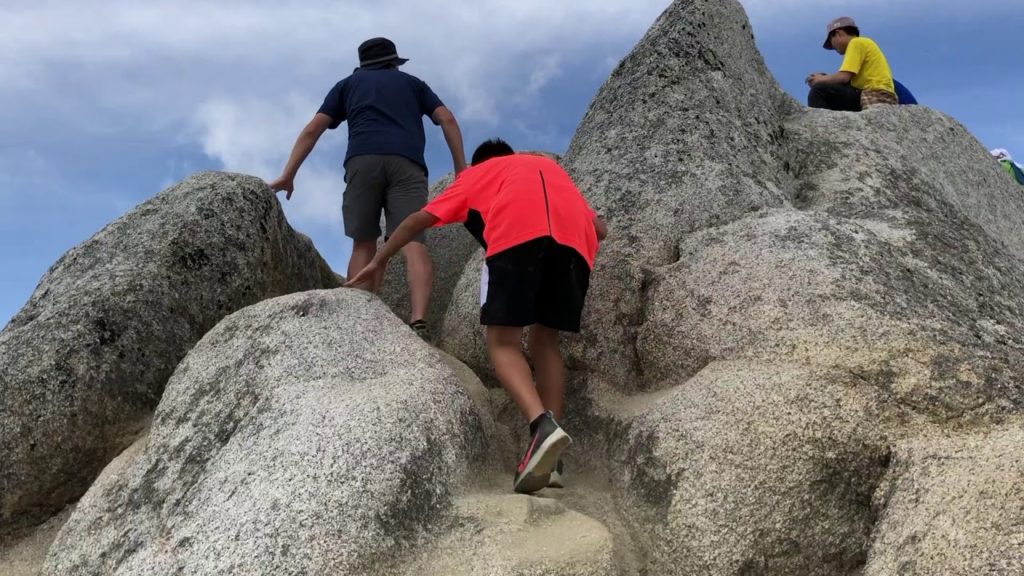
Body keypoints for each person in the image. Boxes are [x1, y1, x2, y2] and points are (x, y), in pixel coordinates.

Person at [346, 139, 608, 494]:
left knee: (503, 343)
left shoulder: (478, 174)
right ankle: (554, 462)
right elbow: (600, 229)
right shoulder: (551, 168)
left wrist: (380, 259)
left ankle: (541, 428)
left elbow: (416, 220)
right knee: (547, 341)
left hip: (518, 239)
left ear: (480, 162)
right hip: (575, 247)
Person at [268, 37, 468, 337]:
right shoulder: (414, 85)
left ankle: (358, 318)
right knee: (412, 242)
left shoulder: (347, 85)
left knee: (363, 242)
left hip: (362, 163)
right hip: (407, 164)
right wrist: (461, 170)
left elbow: (313, 129)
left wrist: (288, 173)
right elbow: (448, 119)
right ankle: (418, 321)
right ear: (393, 62)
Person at [806, 17, 898, 111]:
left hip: (873, 94)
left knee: (819, 90)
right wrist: (826, 78)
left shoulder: (856, 42)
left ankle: (821, 124)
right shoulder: (864, 43)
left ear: (838, 33)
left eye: (831, 41)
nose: (833, 46)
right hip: (876, 94)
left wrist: (819, 80)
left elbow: (843, 77)